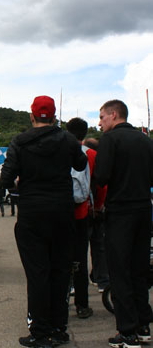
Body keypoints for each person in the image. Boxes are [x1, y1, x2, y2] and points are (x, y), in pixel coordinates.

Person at [1, 95, 87, 348]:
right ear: (53, 115)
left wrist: (20, 182)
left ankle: (40, 333)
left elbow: (6, 179)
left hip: (32, 214)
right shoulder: (68, 140)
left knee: (37, 273)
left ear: (32, 116)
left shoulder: (20, 142)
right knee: (61, 271)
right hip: (62, 213)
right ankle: (59, 329)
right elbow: (81, 164)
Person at [94, 99, 153, 348]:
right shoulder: (145, 140)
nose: (100, 123)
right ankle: (143, 326)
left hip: (121, 211)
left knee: (119, 271)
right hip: (144, 209)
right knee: (139, 269)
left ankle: (127, 333)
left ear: (114, 115)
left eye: (102, 117)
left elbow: (102, 176)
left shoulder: (110, 140)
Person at [66, 118, 96, 319]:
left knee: (60, 258)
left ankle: (61, 300)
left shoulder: (59, 150)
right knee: (80, 260)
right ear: (85, 134)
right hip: (82, 212)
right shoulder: (91, 154)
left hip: (61, 212)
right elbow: (99, 185)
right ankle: (82, 305)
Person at [83, 137, 109, 293]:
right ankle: (102, 280)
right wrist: (99, 205)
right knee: (99, 246)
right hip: (96, 210)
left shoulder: (77, 155)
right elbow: (102, 185)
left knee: (79, 248)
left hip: (81, 209)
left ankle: (75, 283)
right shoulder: (96, 157)